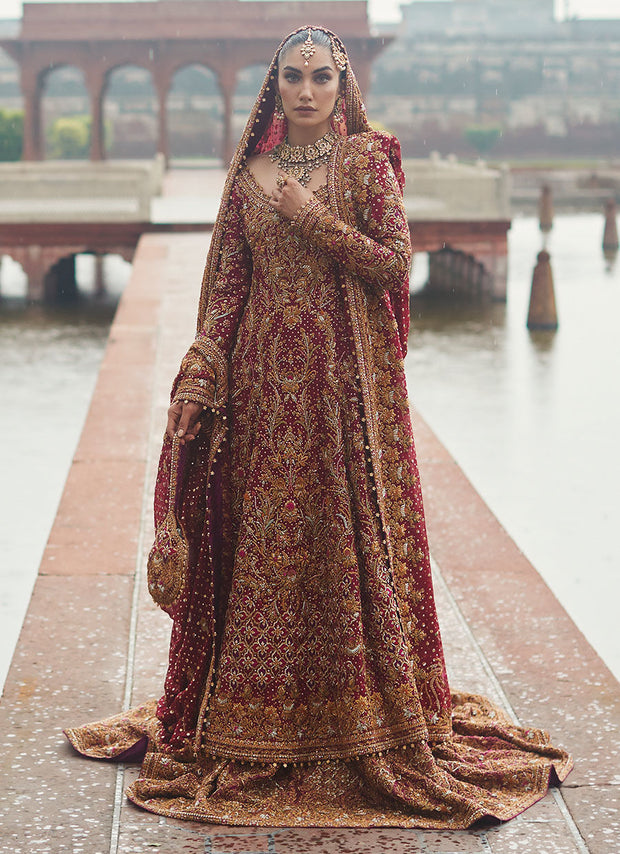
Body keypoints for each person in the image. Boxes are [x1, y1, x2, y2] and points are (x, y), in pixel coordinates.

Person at [64, 26, 571, 828]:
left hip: (343, 397)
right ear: (275, 87)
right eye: (294, 77)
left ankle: (358, 718)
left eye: (322, 78)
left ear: (343, 87)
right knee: (269, 544)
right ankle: (256, 722)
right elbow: (228, 293)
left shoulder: (365, 164)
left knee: (339, 541)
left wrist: (309, 216)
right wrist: (199, 378)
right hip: (264, 397)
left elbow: (393, 261)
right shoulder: (247, 180)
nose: (307, 91)